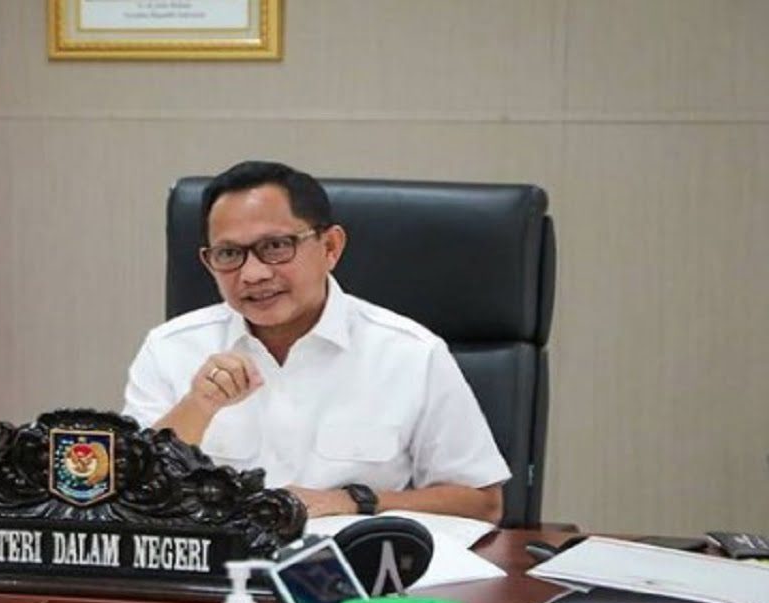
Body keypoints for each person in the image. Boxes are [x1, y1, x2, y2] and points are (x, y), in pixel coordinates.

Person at [122, 160, 510, 523]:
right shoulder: (170, 349)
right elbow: (126, 498)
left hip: (356, 567)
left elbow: (482, 502)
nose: (253, 274)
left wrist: (354, 501)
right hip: (217, 566)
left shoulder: (411, 353)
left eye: (276, 247)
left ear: (330, 248)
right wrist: (196, 407)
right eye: (228, 253)